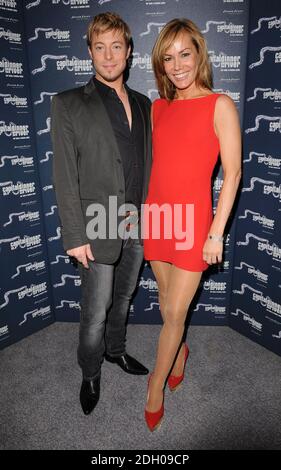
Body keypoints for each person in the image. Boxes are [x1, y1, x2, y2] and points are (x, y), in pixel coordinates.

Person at [51, 12, 152, 415]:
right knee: (95, 310)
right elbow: (64, 173)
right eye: (99, 47)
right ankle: (90, 372)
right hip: (97, 224)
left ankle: (116, 351)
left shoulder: (145, 104)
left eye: (116, 46)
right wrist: (75, 235)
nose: (108, 56)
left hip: (138, 222)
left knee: (124, 297)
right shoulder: (69, 103)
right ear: (89, 52)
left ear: (129, 52)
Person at [143, 18, 241, 431]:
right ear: (160, 65)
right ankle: (180, 353)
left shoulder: (220, 105)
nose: (177, 64)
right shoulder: (158, 107)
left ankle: (154, 387)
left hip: (193, 225)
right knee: (168, 306)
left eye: (185, 53)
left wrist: (216, 232)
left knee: (174, 313)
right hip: (158, 218)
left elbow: (232, 174)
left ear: (200, 55)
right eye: (168, 57)